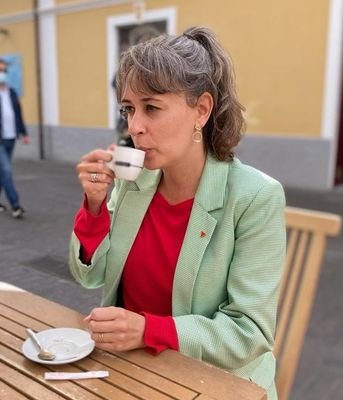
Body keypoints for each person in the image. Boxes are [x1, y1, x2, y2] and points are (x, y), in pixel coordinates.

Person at [69, 26, 286, 399]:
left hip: (211, 383)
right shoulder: (135, 184)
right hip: (130, 372)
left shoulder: (255, 197)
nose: (134, 127)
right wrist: (94, 205)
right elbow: (91, 277)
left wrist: (147, 330)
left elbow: (249, 333)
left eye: (151, 107)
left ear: (201, 109)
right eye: (128, 110)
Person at [0, 58, 29, 218]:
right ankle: (15, 205)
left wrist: (24, 133)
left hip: (11, 138)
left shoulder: (11, 91)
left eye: (4, 70)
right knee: (6, 170)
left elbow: (18, 113)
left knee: (2, 170)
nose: (1, 73)